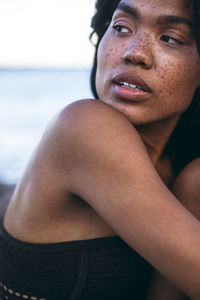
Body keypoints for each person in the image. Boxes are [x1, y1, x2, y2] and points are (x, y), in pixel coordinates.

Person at [0, 0, 200, 299]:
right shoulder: (85, 128)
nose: (135, 52)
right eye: (120, 27)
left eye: (170, 38)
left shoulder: (185, 172)